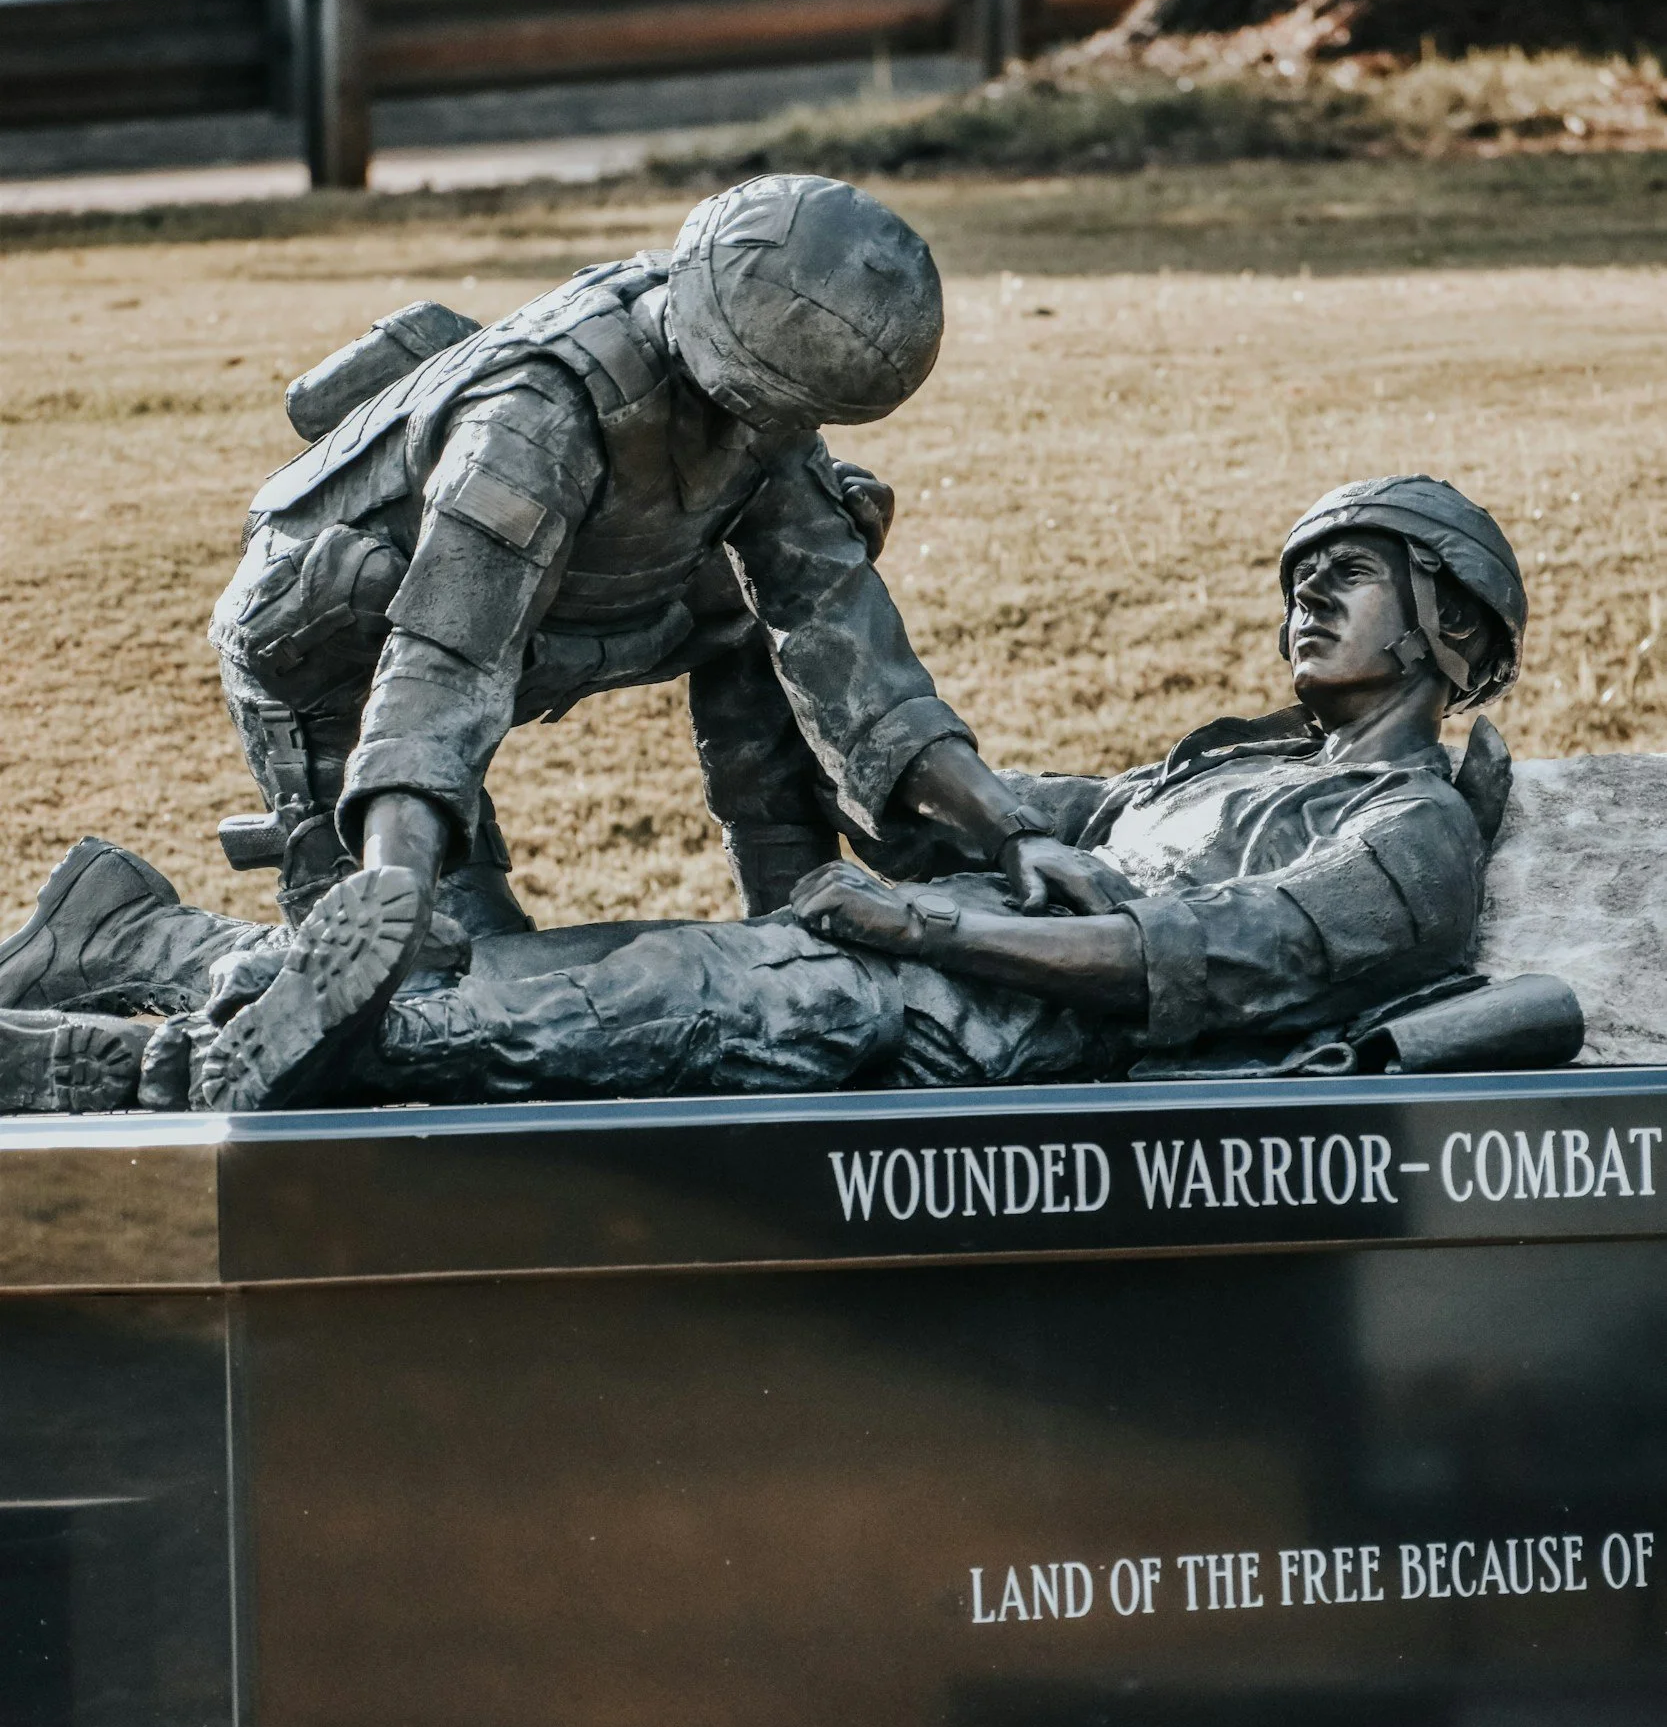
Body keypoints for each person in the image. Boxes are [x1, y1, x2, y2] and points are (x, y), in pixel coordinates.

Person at [0, 476, 1568, 1115]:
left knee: (577, 1016)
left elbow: (1178, 965)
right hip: (880, 969)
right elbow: (972, 819)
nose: (1306, 601)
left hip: (958, 1028)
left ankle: (148, 1069)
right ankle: (145, 949)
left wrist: (912, 926)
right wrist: (770, 611)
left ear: (1449, 630)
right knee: (515, 974)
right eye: (1297, 577)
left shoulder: (1406, 834)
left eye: (1350, 575)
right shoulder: (1210, 771)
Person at [208, 172, 1082, 982]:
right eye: (774, 409)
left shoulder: (758, 400)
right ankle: (212, 923)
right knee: (447, 975)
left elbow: (842, 638)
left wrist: (1012, 835)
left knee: (768, 590)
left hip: (569, 605)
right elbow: (443, 667)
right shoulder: (534, 420)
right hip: (335, 637)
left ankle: (792, 898)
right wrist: (395, 885)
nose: (781, 431)